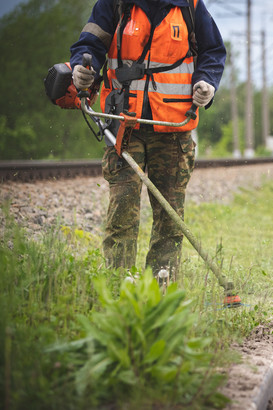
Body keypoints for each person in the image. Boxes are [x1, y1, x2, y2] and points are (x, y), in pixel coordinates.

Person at [70, 0, 226, 282]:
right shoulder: (114, 3)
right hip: (123, 123)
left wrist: (208, 82)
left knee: (169, 217)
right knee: (122, 213)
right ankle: (119, 287)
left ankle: (160, 289)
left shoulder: (190, 6)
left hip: (173, 126)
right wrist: (80, 67)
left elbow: (213, 51)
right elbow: (89, 45)